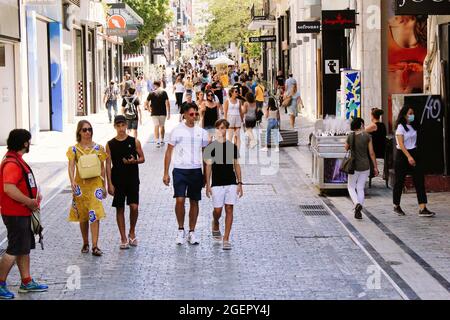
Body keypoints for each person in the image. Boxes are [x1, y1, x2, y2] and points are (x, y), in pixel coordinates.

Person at [0, 129, 48, 299]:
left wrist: (34, 195)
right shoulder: (12, 163)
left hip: (22, 212)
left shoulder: (17, 160)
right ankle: (0, 284)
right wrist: (29, 201)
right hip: (16, 213)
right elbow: (9, 188)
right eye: (28, 141)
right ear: (25, 143)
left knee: (23, 249)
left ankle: (26, 281)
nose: (29, 144)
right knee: (14, 249)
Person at [163, 103, 209, 245]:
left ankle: (192, 232)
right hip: (180, 170)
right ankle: (180, 230)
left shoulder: (202, 132)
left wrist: (206, 176)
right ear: (184, 114)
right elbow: (169, 152)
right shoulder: (176, 131)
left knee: (194, 201)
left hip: (195, 170)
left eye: (196, 114)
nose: (194, 116)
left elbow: (206, 155)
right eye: (191, 114)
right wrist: (165, 173)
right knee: (180, 200)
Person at [67, 121, 108, 257]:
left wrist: (104, 185)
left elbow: (102, 168)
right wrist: (72, 181)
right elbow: (71, 166)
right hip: (80, 186)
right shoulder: (74, 149)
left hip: (95, 185)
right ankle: (85, 242)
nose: (87, 132)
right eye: (84, 130)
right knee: (83, 216)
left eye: (89, 129)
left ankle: (95, 245)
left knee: (94, 214)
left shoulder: (98, 148)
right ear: (79, 132)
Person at [106, 116, 145, 250]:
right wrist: (109, 184)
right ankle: (123, 237)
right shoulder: (110, 144)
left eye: (123, 125)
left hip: (133, 178)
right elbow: (107, 164)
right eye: (118, 125)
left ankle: (132, 231)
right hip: (118, 179)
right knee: (120, 208)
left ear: (126, 125)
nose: (121, 128)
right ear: (115, 127)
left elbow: (142, 158)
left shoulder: (134, 141)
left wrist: (134, 161)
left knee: (134, 207)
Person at [204, 120, 243, 251]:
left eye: (225, 128)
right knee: (218, 211)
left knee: (229, 209)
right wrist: (207, 185)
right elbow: (208, 166)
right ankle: (215, 222)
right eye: (220, 128)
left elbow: (236, 165)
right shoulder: (211, 147)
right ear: (216, 130)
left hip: (231, 182)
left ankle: (226, 238)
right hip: (216, 183)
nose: (223, 130)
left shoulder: (232, 147)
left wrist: (240, 183)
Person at [393, 106, 436, 217]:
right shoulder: (400, 127)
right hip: (403, 156)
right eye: (409, 113)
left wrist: (414, 154)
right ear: (404, 115)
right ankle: (396, 205)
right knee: (399, 182)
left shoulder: (413, 126)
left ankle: (423, 208)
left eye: (413, 113)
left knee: (419, 180)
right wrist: (408, 157)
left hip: (414, 153)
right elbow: (401, 144)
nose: (412, 115)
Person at [345, 118, 379, 220]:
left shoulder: (350, 136)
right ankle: (358, 210)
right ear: (361, 125)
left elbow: (346, 148)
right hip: (366, 166)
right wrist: (376, 167)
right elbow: (372, 153)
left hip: (354, 165)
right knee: (360, 187)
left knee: (351, 187)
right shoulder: (368, 136)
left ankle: (357, 204)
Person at [145, 81, 171, 148]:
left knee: (156, 126)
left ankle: (157, 141)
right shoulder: (164, 92)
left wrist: (148, 109)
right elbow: (168, 103)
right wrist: (169, 113)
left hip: (154, 112)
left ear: (154, 85)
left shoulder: (151, 93)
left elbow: (146, 102)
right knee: (162, 126)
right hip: (163, 112)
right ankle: (162, 140)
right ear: (160, 85)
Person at [366, 108, 387, 179]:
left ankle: (369, 171)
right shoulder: (383, 125)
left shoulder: (374, 126)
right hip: (382, 149)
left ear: (372, 116)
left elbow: (362, 130)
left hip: (375, 150)